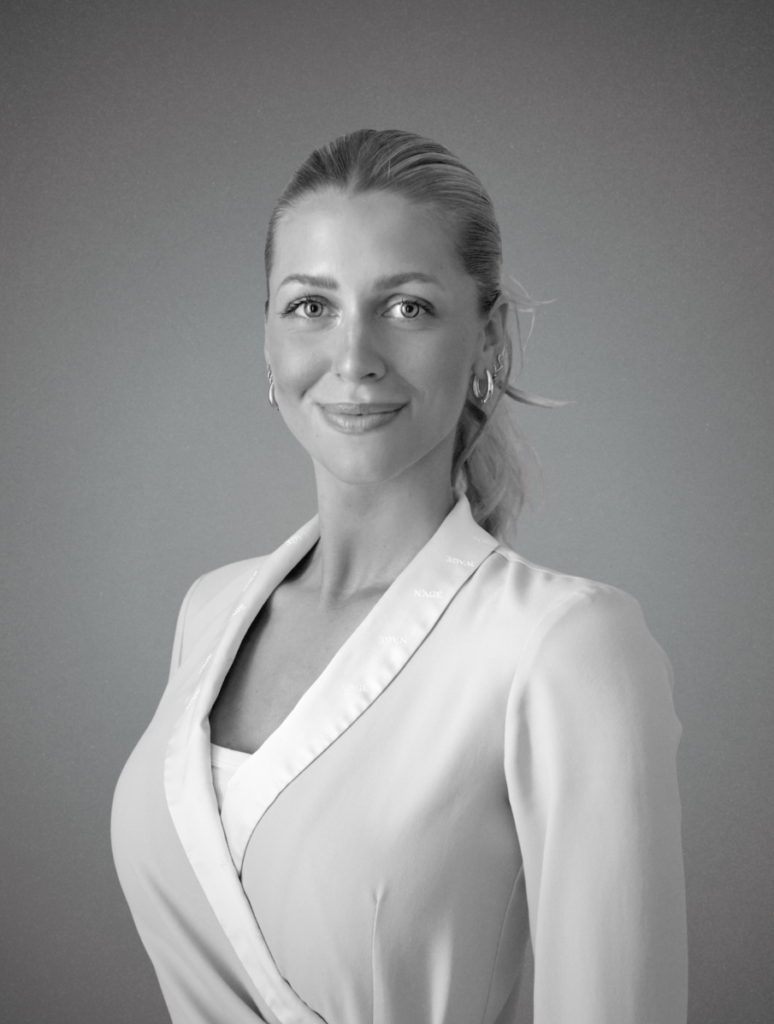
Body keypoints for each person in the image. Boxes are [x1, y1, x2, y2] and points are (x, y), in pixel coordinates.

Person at [111, 128, 688, 1024]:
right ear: (267, 339)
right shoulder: (210, 611)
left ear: (487, 339)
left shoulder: (564, 647)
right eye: (311, 305)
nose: (353, 358)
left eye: (408, 307)